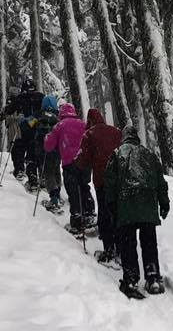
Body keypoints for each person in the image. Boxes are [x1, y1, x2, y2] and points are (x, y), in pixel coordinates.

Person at [105, 125, 170, 299]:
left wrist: (111, 205)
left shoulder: (117, 154)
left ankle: (132, 280)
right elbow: (160, 181)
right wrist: (164, 203)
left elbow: (109, 182)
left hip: (126, 206)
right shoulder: (149, 154)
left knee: (128, 244)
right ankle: (153, 277)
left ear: (124, 138)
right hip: (148, 205)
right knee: (149, 242)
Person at [75, 108, 122, 265]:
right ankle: (121, 249)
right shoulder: (116, 131)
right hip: (119, 179)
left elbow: (83, 159)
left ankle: (109, 250)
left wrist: (78, 165)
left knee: (104, 213)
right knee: (117, 213)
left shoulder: (89, 134)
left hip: (102, 179)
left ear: (90, 121)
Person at [44, 103, 94, 232]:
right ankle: (89, 214)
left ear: (61, 113)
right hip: (84, 161)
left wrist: (47, 138)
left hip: (69, 162)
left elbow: (49, 146)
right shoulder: (82, 124)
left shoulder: (59, 126)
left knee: (73, 190)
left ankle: (77, 220)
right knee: (84, 187)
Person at [4, 78, 44, 187]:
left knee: (20, 150)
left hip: (25, 129)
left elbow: (9, 110)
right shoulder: (41, 97)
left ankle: (25, 174)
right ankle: (37, 177)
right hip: (38, 129)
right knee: (34, 153)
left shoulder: (20, 98)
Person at [34, 95, 62, 211]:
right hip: (58, 150)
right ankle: (58, 193)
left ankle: (54, 198)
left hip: (45, 149)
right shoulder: (58, 118)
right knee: (56, 170)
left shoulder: (41, 117)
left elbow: (38, 135)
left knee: (48, 172)